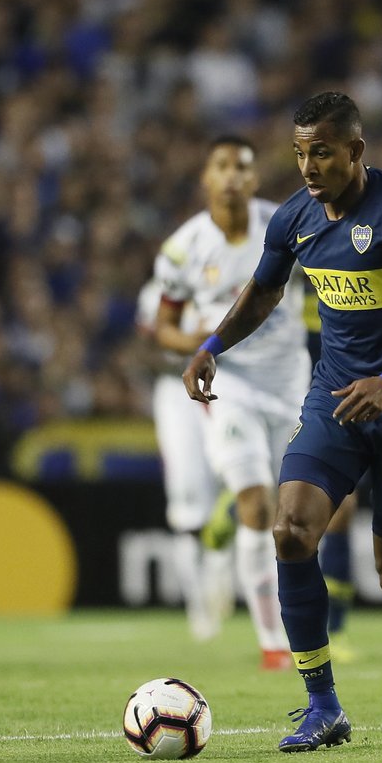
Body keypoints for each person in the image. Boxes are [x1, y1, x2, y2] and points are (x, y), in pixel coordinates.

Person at [184, 92, 382, 753]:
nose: (309, 166)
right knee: (290, 530)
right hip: (337, 404)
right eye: (298, 153)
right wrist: (210, 346)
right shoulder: (294, 219)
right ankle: (323, 706)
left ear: (355, 151)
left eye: (321, 151)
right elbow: (262, 292)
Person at [150, 135, 304, 668]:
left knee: (295, 515)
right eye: (222, 167)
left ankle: (285, 610)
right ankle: (273, 645)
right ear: (207, 179)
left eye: (243, 167)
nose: (233, 176)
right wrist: (196, 340)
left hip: (291, 384)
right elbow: (163, 326)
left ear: (255, 179)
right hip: (230, 385)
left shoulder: (286, 224)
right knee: (256, 504)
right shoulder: (183, 248)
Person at [136, 276, 236, 644]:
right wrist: (192, 343)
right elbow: (146, 345)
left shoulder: (234, 277)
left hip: (228, 382)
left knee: (240, 483)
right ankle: (199, 605)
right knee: (188, 495)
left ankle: (222, 579)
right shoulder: (159, 289)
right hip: (177, 392)